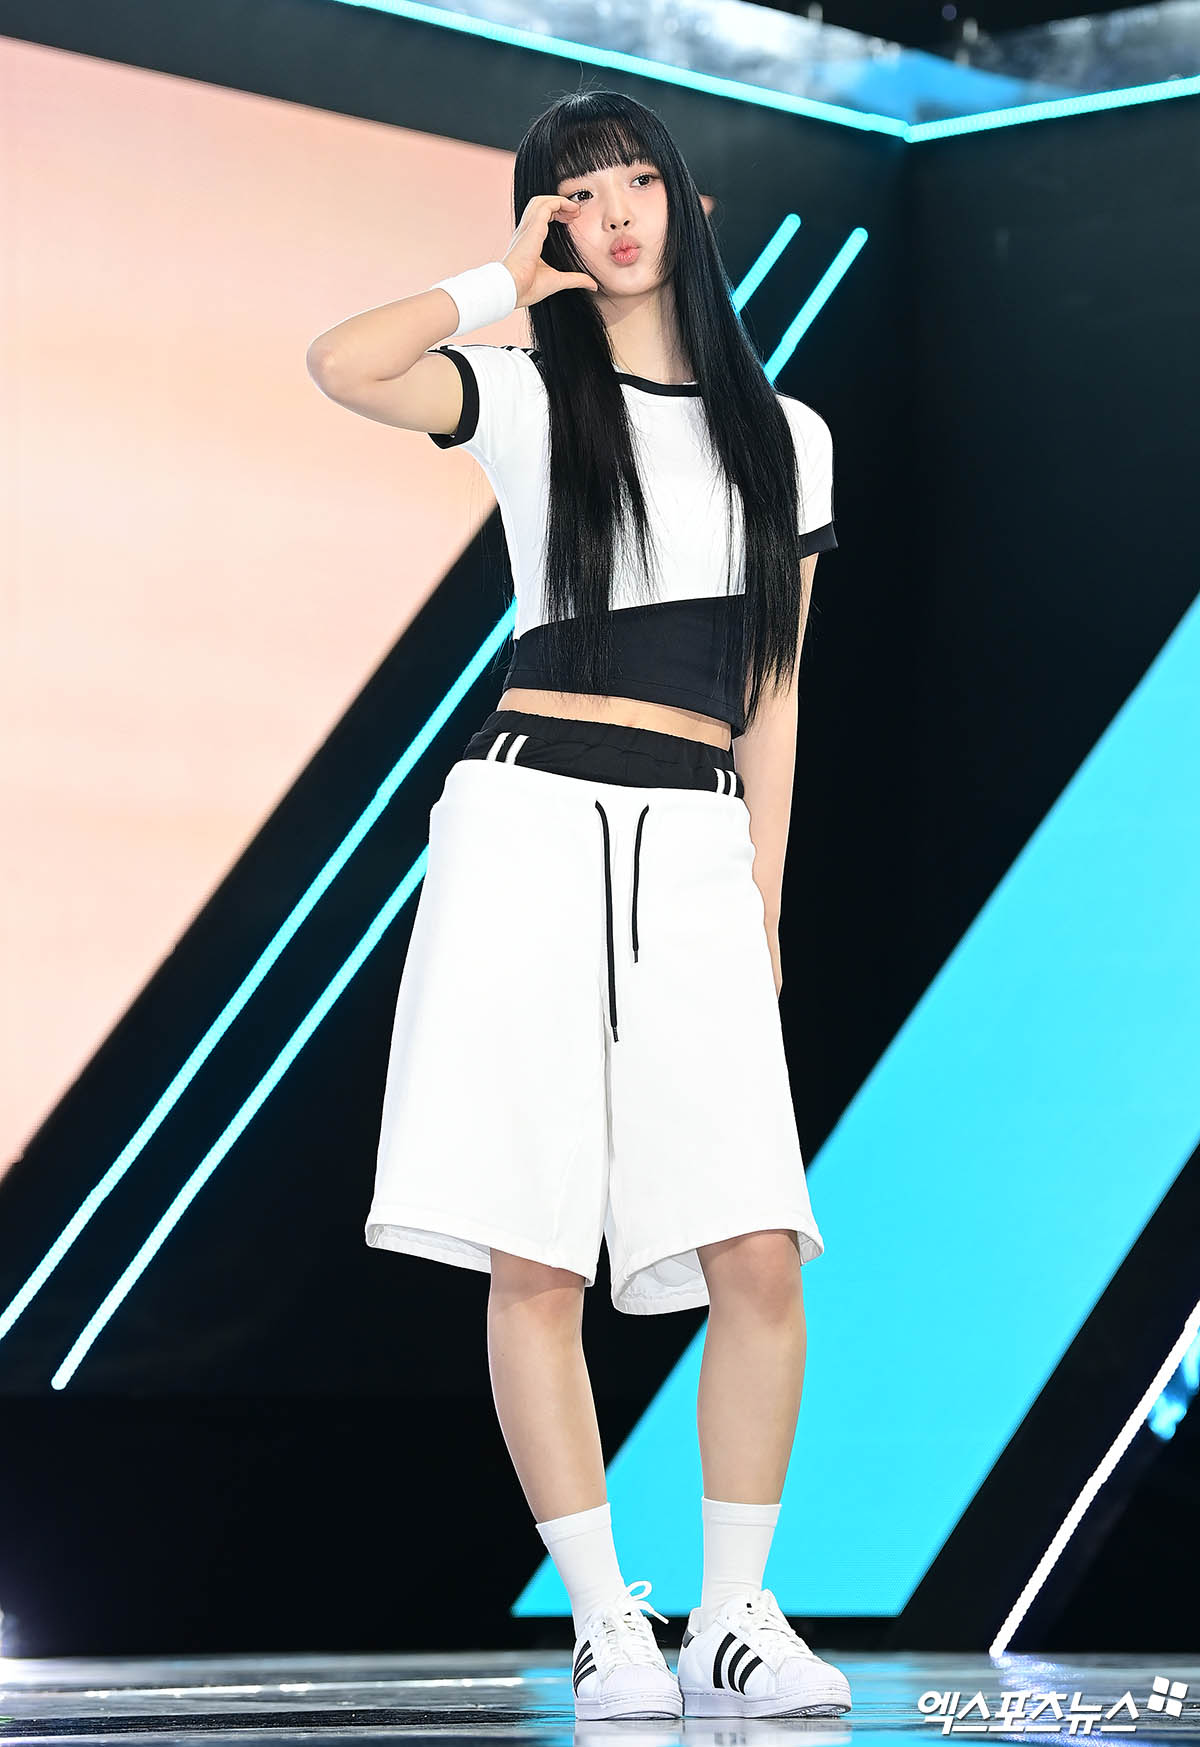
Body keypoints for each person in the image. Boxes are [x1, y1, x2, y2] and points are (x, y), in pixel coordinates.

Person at [307, 88, 851, 1723]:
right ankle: (608, 1618)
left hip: (693, 841)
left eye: (635, 183)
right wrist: (504, 280)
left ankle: (736, 1615)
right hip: (528, 817)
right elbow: (346, 362)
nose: (613, 213)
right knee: (535, 1248)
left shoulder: (790, 435)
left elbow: (775, 692)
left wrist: (764, 900)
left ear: (685, 203)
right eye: (578, 192)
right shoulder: (535, 392)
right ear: (550, 217)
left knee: (760, 1244)